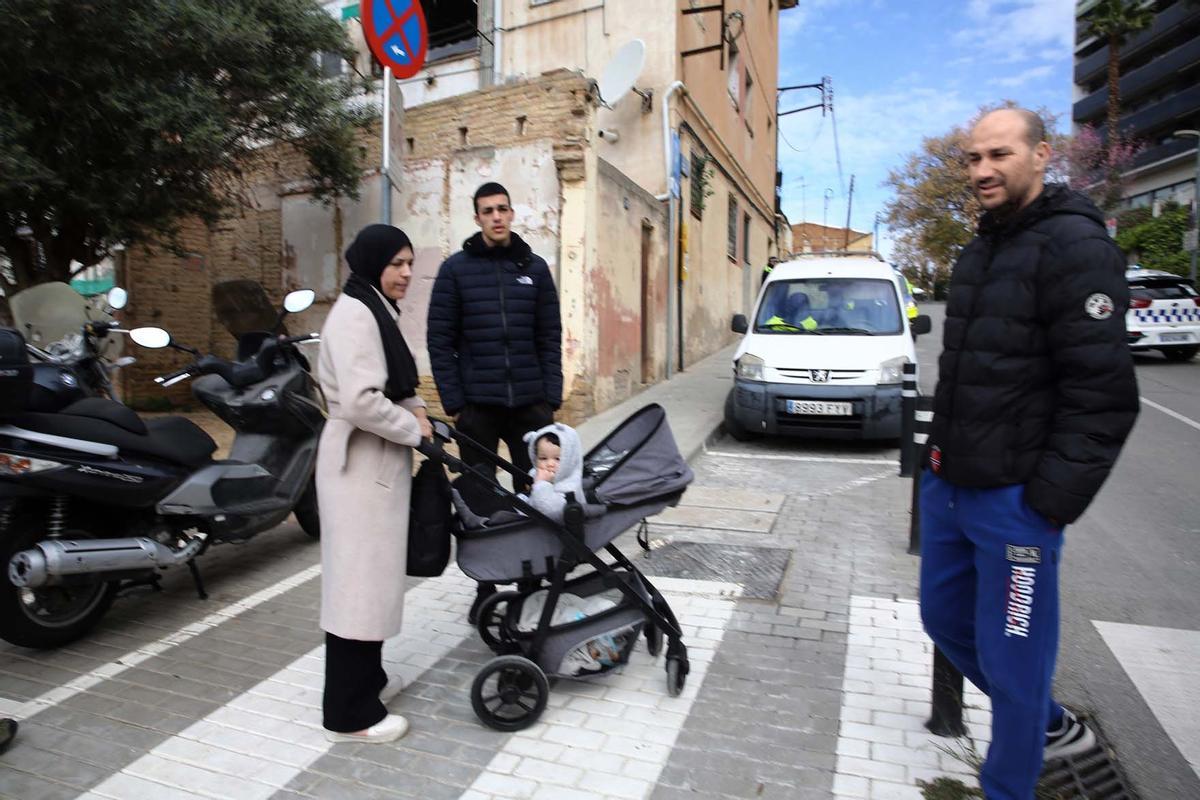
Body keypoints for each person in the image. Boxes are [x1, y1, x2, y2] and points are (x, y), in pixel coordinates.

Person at [920, 108, 1138, 800]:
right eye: (973, 157)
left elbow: (1104, 397)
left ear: (1042, 155)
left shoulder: (1077, 246)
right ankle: (1047, 721)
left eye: (1000, 154)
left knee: (1014, 666)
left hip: (1018, 504)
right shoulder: (980, 248)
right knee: (942, 620)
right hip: (950, 488)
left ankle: (1010, 784)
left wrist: (1047, 507)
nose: (982, 170)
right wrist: (934, 465)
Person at [316, 224, 433, 743]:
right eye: (397, 263)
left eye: (410, 263)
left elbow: (394, 384)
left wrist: (420, 411)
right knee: (356, 589)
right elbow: (363, 401)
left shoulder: (373, 308)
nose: (406, 273)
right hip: (358, 465)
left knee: (371, 585)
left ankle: (370, 682)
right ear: (372, 264)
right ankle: (349, 714)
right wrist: (413, 430)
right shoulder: (355, 315)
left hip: (371, 464)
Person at [427, 181, 563, 623]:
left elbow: (549, 336)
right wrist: (455, 403)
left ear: (512, 213)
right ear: (478, 218)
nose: (497, 217)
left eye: (503, 209)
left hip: (529, 407)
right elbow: (439, 340)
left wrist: (550, 399)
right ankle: (486, 584)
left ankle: (532, 580)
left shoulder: (535, 269)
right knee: (481, 498)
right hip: (478, 410)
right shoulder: (456, 271)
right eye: (488, 211)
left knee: (534, 492)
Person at [523, 422, 583, 523]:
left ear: (570, 460)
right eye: (543, 458)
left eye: (557, 459)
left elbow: (553, 511)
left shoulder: (570, 486)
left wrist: (541, 485)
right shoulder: (537, 475)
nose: (550, 464)